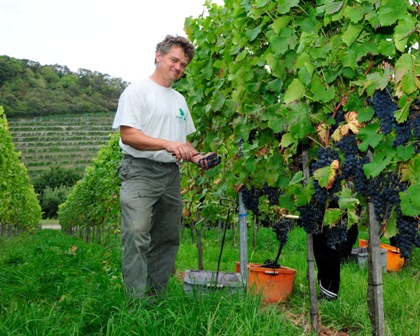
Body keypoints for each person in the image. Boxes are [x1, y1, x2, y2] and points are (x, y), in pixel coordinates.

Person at [112, 35, 219, 302]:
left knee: (167, 237)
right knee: (137, 233)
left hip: (170, 175)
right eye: (174, 60)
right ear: (158, 56)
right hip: (139, 172)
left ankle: (155, 297)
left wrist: (197, 157)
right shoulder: (136, 91)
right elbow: (129, 135)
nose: (178, 67)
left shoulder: (179, 100)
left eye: (183, 64)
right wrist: (167, 144)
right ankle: (136, 303)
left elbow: (184, 142)